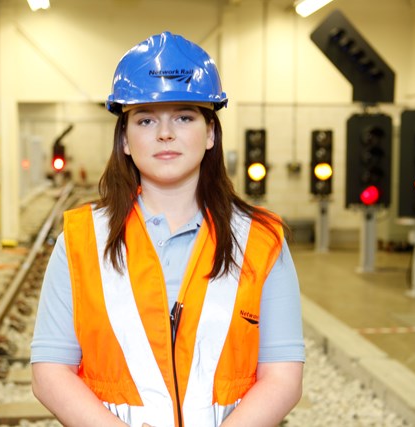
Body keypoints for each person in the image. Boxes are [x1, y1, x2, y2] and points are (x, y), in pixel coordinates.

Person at [30, 31, 305, 427]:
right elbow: (50, 373)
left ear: (210, 133)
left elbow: (282, 377)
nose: (165, 133)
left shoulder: (261, 240)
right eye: (145, 119)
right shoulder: (81, 239)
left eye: (184, 116)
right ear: (124, 139)